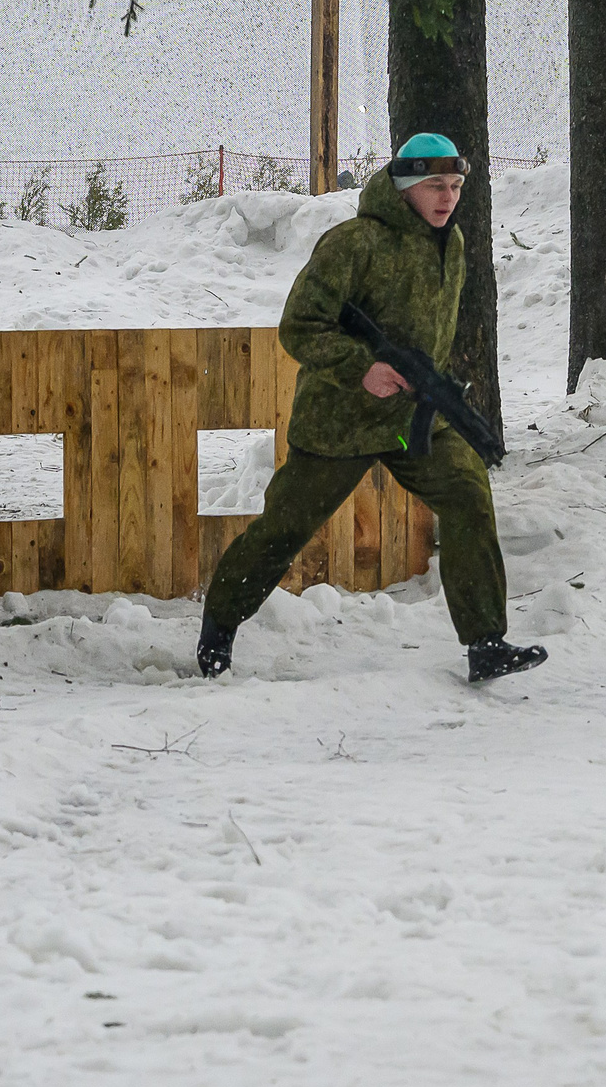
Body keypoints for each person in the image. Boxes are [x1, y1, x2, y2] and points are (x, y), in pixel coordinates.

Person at [196, 133, 549, 685]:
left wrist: (431, 384)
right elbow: (299, 326)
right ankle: (218, 628)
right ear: (406, 185)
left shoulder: (450, 244)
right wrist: (362, 368)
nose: (448, 197)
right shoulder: (353, 243)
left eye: (455, 186)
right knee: (285, 529)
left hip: (411, 421)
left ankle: (486, 642)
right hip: (340, 422)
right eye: (435, 184)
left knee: (468, 493)